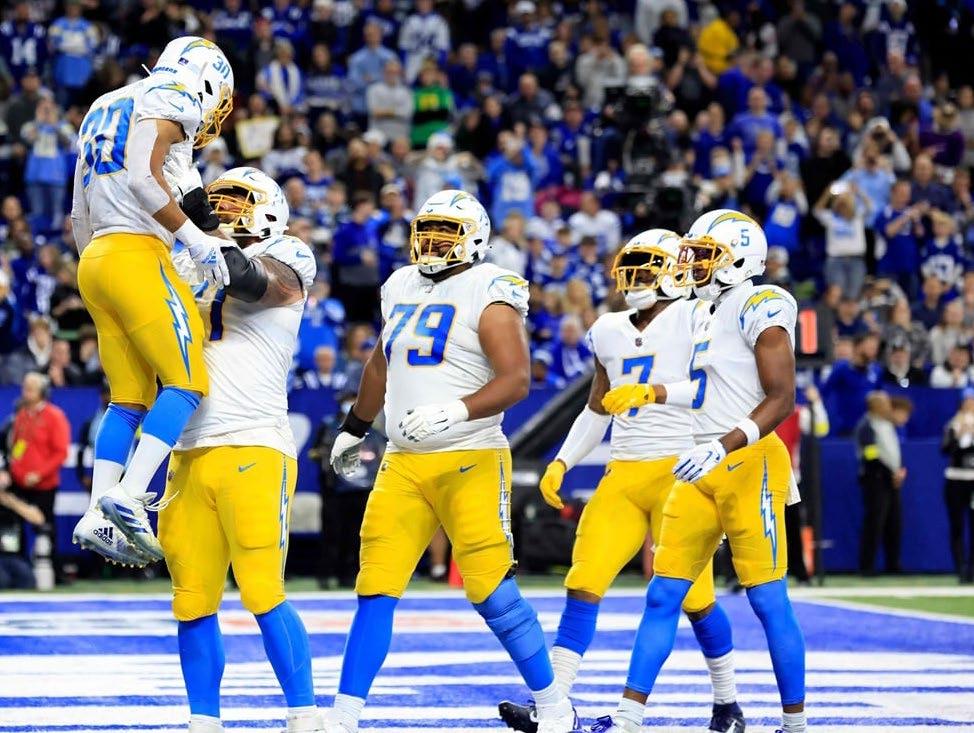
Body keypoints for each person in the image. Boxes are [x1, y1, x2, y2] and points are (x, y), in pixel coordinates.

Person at [323, 190, 577, 732]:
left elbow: (517, 379)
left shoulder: (490, 287)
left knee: (490, 591)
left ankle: (556, 709)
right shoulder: (399, 284)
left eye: (447, 232)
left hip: (471, 457)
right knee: (374, 588)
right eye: (428, 230)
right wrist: (354, 427)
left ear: (475, 238)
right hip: (403, 462)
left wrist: (455, 410)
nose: (434, 241)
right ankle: (343, 717)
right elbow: (381, 363)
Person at [498, 230, 745, 733]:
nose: (635, 278)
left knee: (696, 599)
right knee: (583, 581)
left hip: (681, 470)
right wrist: (562, 461)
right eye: (631, 267)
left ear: (676, 271)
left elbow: (712, 387)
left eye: (648, 267)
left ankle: (727, 702)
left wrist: (653, 392)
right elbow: (597, 409)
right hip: (623, 473)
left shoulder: (698, 315)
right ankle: (554, 706)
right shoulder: (607, 329)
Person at [597, 209, 806, 733]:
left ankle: (795, 725)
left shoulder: (762, 302)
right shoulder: (703, 311)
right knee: (663, 592)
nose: (692, 264)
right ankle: (627, 719)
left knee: (766, 597)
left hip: (750, 460)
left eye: (705, 255)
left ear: (740, 260)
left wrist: (723, 444)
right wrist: (654, 392)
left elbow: (781, 397)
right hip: (701, 461)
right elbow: (712, 388)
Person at [159, 168, 323, 733]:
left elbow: (253, 283)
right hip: (188, 448)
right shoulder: (187, 257)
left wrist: (201, 232)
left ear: (270, 208)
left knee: (262, 591)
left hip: (253, 441)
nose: (225, 209)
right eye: (218, 201)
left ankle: (304, 715)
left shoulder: (289, 253)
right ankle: (203, 720)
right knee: (192, 600)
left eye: (237, 200)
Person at [69, 37, 235, 567]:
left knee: (128, 399)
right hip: (137, 252)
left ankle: (97, 511)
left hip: (95, 259)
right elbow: (143, 177)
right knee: (187, 382)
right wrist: (196, 240)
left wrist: (99, 266)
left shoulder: (104, 104)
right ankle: (130, 494)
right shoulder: (174, 95)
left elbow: (78, 212)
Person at [7, 371, 69, 567]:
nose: (25, 393)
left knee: (45, 527)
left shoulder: (54, 416)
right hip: (20, 483)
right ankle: (18, 566)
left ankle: (52, 568)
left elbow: (60, 452)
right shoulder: (21, 416)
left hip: (44, 485)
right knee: (15, 526)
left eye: (30, 389)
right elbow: (16, 449)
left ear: (41, 392)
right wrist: (17, 472)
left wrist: (39, 474)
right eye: (25, 388)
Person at [854, 391, 904, 576]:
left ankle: (893, 564)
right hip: (876, 480)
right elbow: (871, 456)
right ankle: (867, 566)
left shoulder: (887, 424)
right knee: (874, 523)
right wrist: (890, 473)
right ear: (876, 406)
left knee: (894, 523)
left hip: (891, 480)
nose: (889, 406)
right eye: (885, 403)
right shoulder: (866, 426)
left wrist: (898, 471)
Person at [941, 390, 974, 584]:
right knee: (957, 525)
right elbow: (945, 449)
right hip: (955, 480)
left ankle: (972, 569)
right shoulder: (953, 424)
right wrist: (959, 434)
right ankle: (960, 568)